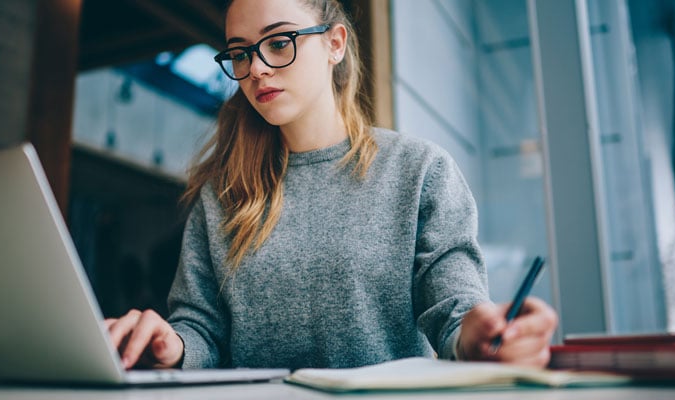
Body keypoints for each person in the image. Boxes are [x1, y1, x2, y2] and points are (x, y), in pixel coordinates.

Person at [106, 0, 558, 370]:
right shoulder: (223, 196)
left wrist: (480, 335)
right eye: (241, 53)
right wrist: (173, 346)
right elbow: (202, 331)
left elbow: (455, 313)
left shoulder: (419, 170)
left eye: (279, 43)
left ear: (334, 44)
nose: (258, 69)